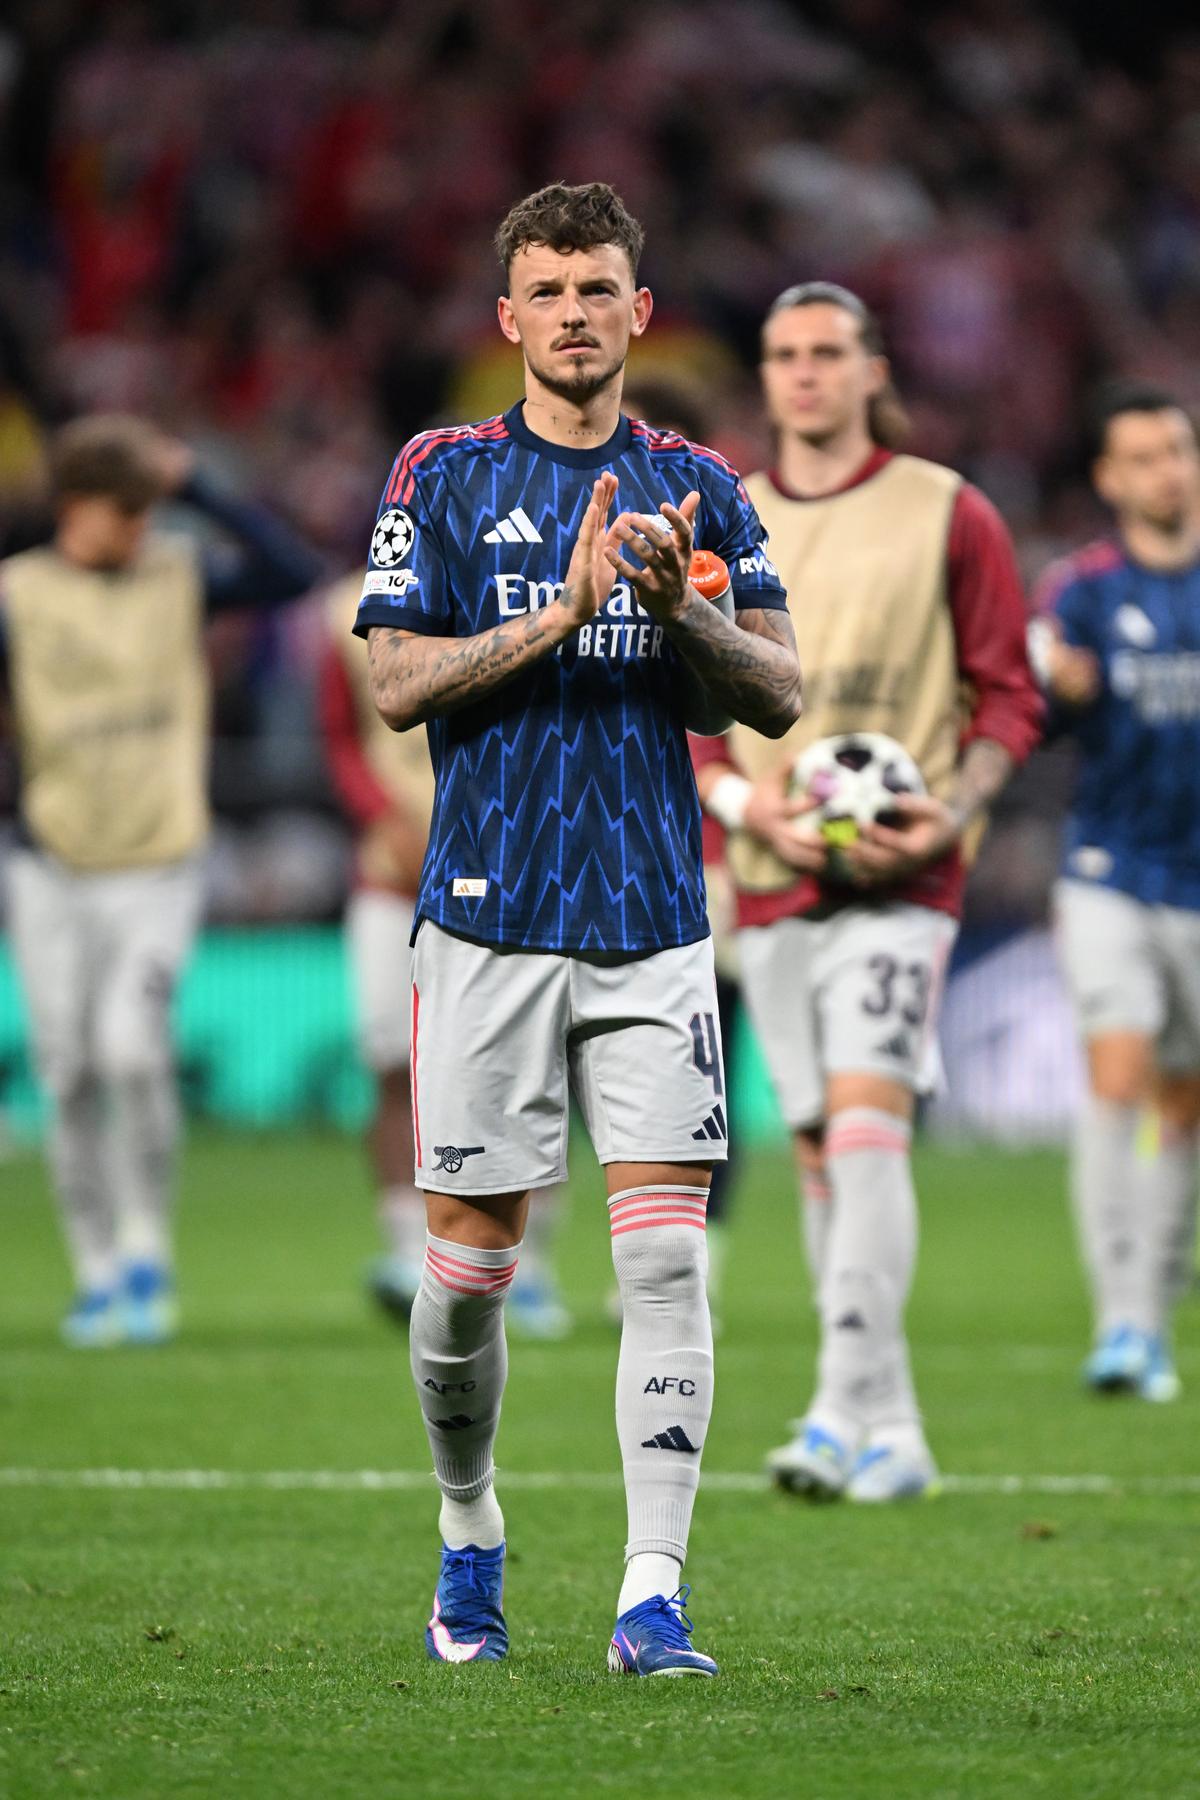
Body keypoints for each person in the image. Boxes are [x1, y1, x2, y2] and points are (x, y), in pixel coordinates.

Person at [354, 181, 800, 1675]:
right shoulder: (443, 473)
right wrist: (562, 612)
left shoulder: (702, 487)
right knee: (469, 1272)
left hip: (656, 921)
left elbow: (783, 693)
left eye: (597, 290)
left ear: (638, 311)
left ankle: (650, 1594)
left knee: (664, 1265)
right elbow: (398, 685)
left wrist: (676, 609)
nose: (572, 316)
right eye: (545, 292)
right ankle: (470, 1526)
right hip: (485, 922)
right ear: (507, 320)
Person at [692, 282, 1041, 1502]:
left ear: (871, 367)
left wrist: (949, 812)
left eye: (828, 352)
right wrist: (752, 808)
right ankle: (899, 1434)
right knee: (819, 1153)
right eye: (783, 353)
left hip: (908, 873)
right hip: (771, 877)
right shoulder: (721, 515)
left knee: (864, 1124)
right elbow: (688, 714)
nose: (804, 374)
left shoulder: (950, 512)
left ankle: (837, 1412)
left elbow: (1008, 694)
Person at [0, 414, 320, 1347]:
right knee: (63, 1072)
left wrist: (196, 486)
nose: (137, 529)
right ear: (70, 507)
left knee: (132, 1052)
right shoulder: (19, 595)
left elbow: (296, 574)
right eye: (122, 512)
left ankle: (145, 1248)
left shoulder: (177, 572)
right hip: (51, 860)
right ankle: (95, 1272)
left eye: (148, 511)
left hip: (159, 860)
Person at [319, 573, 570, 1338]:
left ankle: (531, 1264)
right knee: (394, 1063)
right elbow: (340, 738)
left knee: (531, 1069)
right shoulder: (343, 614)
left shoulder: (527, 585)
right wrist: (383, 816)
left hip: (514, 873)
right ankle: (406, 1251)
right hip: (394, 874)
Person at [1032, 381, 1200, 1402]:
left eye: (1176, 450)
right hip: (1109, 869)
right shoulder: (1083, 590)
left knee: (1182, 1102)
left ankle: (1153, 1307)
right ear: (1108, 478)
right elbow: (1036, 691)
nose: (1165, 470)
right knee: (1119, 1066)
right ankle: (1121, 1323)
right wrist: (1060, 686)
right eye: (1141, 457)